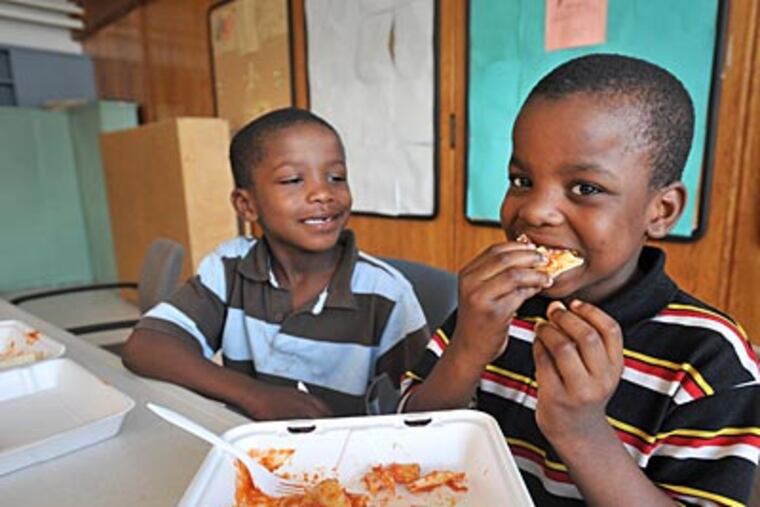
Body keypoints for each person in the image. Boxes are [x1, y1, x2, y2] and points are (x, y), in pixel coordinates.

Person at [400, 54, 760, 505]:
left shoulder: (709, 360)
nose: (534, 211)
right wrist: (467, 352)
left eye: (585, 188)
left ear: (660, 211)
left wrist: (583, 431)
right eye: (522, 179)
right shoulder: (491, 308)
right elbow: (405, 440)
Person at [122, 107, 429, 420]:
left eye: (336, 177)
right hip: (252, 451)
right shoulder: (230, 269)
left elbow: (419, 411)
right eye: (293, 180)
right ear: (247, 205)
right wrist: (253, 395)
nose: (323, 192)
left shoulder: (387, 295)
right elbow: (147, 344)